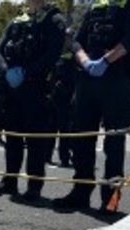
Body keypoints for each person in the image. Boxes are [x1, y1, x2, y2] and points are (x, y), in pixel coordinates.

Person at [53, 0, 130, 213]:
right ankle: (80, 191)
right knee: (81, 138)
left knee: (114, 142)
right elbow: (78, 40)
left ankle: (111, 197)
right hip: (88, 77)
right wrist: (86, 62)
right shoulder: (97, 3)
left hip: (117, 76)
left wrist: (106, 61)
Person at [0, 0, 64, 201]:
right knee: (12, 137)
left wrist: (27, 72)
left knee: (36, 140)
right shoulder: (16, 21)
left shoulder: (54, 20)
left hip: (36, 88)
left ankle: (34, 185)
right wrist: (6, 71)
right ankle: (10, 181)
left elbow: (52, 54)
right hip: (12, 88)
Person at [48, 27, 76, 168]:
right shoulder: (56, 54)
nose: (66, 40)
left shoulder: (75, 56)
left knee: (65, 130)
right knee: (50, 128)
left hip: (68, 97)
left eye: (68, 37)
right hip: (54, 97)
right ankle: (47, 155)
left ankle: (65, 157)